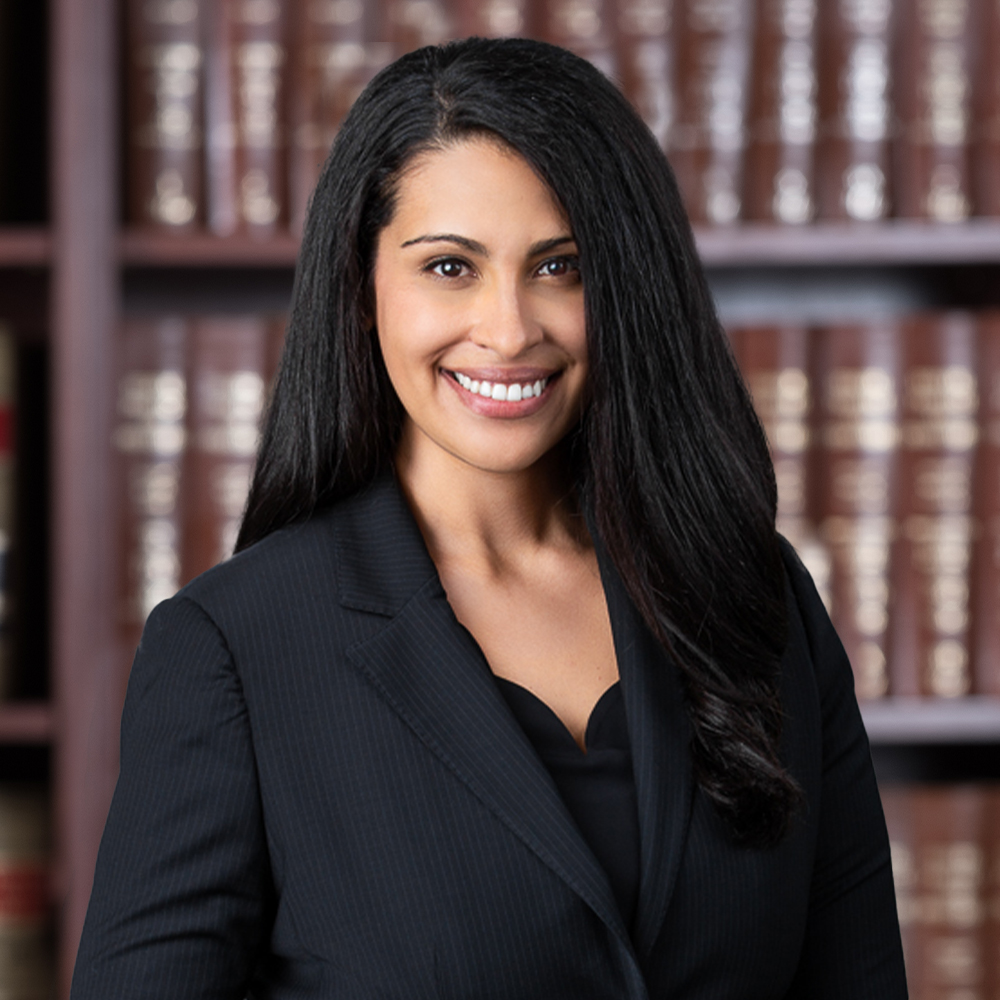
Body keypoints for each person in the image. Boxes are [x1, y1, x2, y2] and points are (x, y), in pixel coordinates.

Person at [71, 37, 907, 999]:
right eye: (450, 269)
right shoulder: (239, 649)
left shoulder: (757, 599)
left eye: (560, 267)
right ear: (362, 283)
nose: (510, 330)